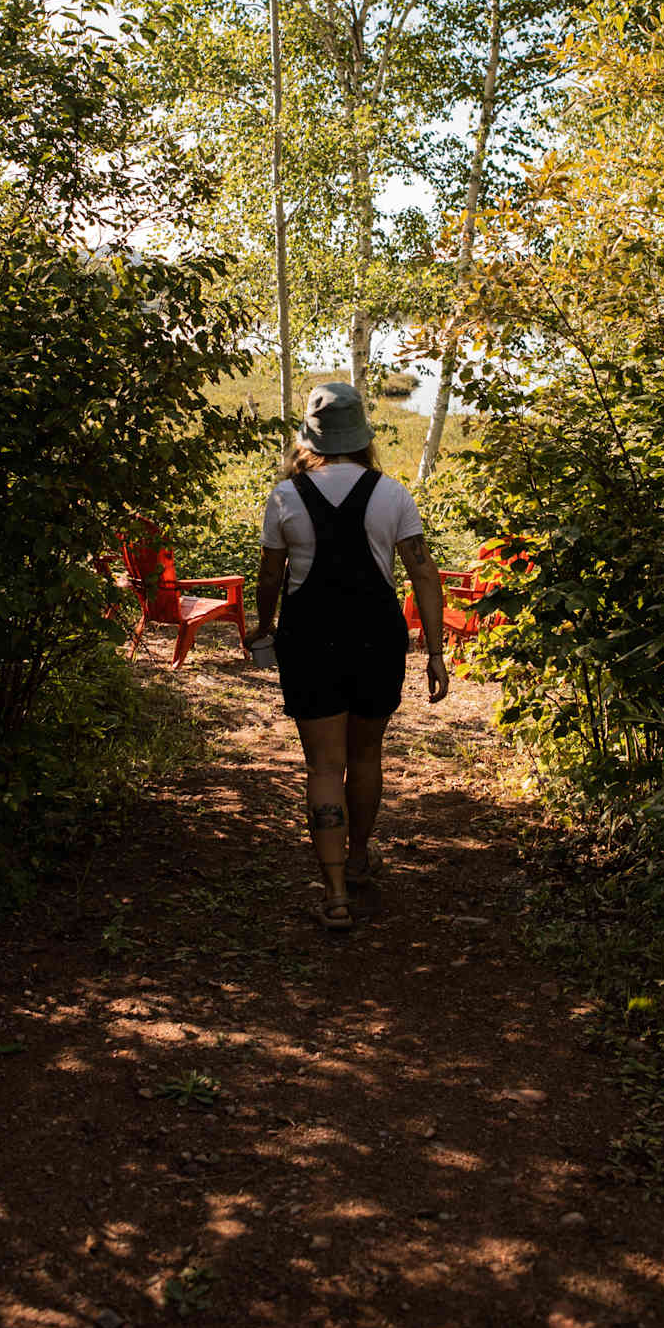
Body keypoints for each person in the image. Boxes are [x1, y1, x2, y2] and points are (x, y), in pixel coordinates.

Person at [246, 380, 449, 932]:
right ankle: (359, 858)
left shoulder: (286, 496)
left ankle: (335, 892)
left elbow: (271, 574)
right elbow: (423, 571)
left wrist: (264, 625)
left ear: (311, 435)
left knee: (322, 765)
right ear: (361, 434)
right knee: (364, 757)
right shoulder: (392, 494)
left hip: (309, 639)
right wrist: (433, 650)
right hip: (375, 637)